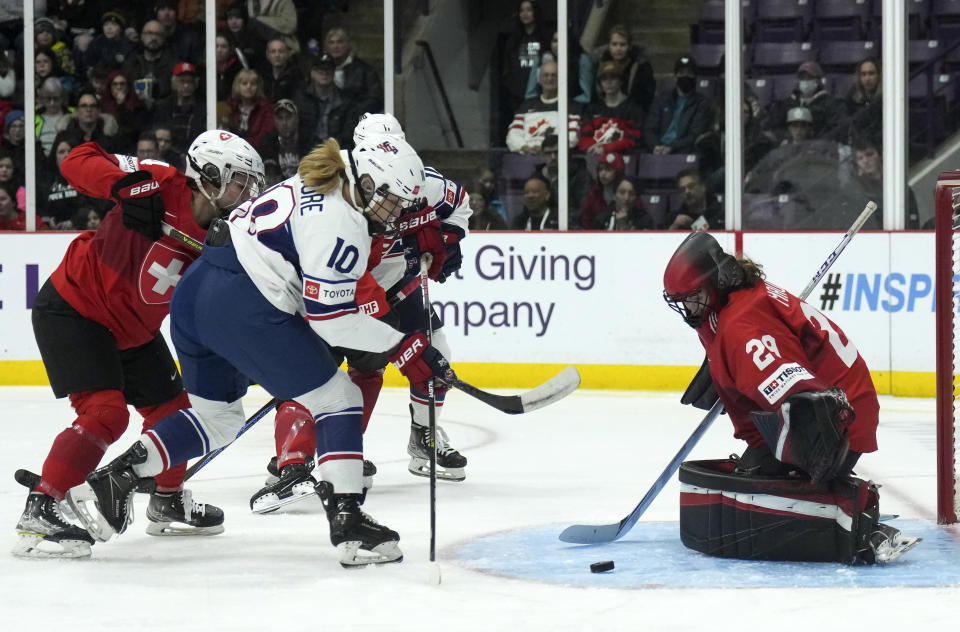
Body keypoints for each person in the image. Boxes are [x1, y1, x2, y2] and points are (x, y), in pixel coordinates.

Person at [66, 134, 450, 568]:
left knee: (219, 419)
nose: (398, 212)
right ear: (370, 186)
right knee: (339, 398)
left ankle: (116, 477)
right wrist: (404, 346)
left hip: (195, 294)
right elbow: (332, 320)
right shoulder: (344, 223)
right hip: (243, 303)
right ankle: (349, 521)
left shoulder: (339, 168)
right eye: (394, 201)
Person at [13, 131, 265, 559]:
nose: (249, 192)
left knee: (178, 414)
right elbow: (78, 157)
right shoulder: (159, 179)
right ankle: (40, 509)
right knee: (105, 414)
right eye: (241, 180)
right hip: (76, 308)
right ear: (209, 174)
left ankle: (166, 500)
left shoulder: (231, 234)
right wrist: (123, 184)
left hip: (136, 332)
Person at [250, 113, 472, 514]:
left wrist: (448, 239)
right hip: (340, 287)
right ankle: (292, 460)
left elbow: (458, 203)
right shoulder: (342, 201)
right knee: (317, 372)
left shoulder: (420, 181)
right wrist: (380, 322)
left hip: (397, 285)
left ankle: (420, 436)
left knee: (429, 349)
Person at [662, 231, 918, 564]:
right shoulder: (729, 305)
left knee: (754, 493)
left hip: (839, 418)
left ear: (717, 282)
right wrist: (724, 369)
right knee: (751, 478)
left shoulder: (740, 330)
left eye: (693, 297)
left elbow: (808, 404)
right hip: (842, 399)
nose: (688, 310)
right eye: (682, 301)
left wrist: (807, 470)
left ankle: (851, 513)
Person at [505, 59, 579, 155]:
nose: (549, 79)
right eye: (546, 75)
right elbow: (513, 134)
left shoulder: (571, 106)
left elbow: (572, 137)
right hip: (527, 158)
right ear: (539, 79)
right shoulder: (526, 106)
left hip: (556, 159)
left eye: (554, 75)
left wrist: (546, 149)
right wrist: (525, 147)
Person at [645, 54, 713, 155]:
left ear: (695, 78)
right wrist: (655, 146)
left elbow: (695, 134)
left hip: (683, 151)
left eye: (689, 73)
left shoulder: (701, 103)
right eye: (681, 73)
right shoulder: (662, 99)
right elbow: (649, 128)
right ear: (675, 77)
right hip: (657, 150)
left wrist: (672, 147)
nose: (685, 77)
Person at [766, 61, 845, 143]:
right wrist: (787, 138)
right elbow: (773, 125)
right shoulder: (788, 103)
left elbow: (837, 129)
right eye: (802, 78)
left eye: (810, 78)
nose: (805, 81)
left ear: (818, 81)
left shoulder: (832, 104)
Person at [578, 61, 644, 158]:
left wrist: (606, 148)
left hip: (623, 160)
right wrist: (593, 147)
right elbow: (583, 137)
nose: (608, 82)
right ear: (600, 83)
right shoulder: (592, 109)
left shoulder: (633, 110)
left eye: (613, 78)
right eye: (604, 79)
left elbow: (633, 140)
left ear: (621, 81)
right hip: (595, 158)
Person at [592, 24, 656, 115]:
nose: (618, 49)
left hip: (632, 113)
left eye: (622, 45)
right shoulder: (600, 63)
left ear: (629, 46)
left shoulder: (641, 65)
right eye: (614, 44)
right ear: (609, 46)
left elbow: (647, 95)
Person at [323, 27, 383, 115]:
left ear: (348, 44)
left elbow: (376, 98)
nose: (335, 46)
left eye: (340, 42)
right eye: (331, 42)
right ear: (327, 47)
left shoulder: (365, 70)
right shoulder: (319, 70)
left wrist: (351, 111)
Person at [153, 62, 207, 152]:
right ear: (174, 82)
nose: (186, 85)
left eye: (190, 81)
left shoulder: (203, 109)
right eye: (182, 81)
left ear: (196, 84)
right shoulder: (163, 107)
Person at [256, 98, 312, 179]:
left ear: (297, 119)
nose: (284, 123)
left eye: (288, 117)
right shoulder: (265, 145)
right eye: (280, 118)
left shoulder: (310, 141)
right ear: (274, 121)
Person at [99, 70, 149, 153]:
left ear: (128, 86)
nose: (119, 87)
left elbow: (135, 129)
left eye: (122, 84)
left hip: (131, 148)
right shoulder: (101, 105)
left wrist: (121, 106)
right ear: (110, 87)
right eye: (115, 84)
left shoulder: (138, 106)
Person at [227, 68, 275, 147]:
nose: (249, 87)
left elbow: (264, 136)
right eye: (244, 83)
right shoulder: (230, 108)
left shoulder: (266, 109)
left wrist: (243, 146)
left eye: (253, 84)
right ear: (237, 86)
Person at [579, 151, 624, 229]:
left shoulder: (627, 192)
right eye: (600, 169)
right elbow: (586, 219)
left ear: (618, 172)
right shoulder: (594, 192)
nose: (603, 173)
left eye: (608, 169)